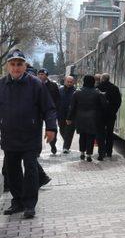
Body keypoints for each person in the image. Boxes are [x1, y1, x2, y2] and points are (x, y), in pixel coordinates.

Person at [1, 49, 57, 219]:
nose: (16, 68)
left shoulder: (35, 84)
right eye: (13, 64)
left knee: (31, 169)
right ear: (7, 66)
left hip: (30, 136)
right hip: (9, 136)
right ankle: (17, 201)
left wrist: (51, 128)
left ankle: (30, 204)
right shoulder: (1, 85)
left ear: (25, 66)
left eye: (19, 64)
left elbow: (49, 108)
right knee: (12, 171)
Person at [67, 75, 108, 162]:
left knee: (82, 135)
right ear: (93, 82)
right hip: (93, 118)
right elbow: (104, 105)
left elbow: (72, 107)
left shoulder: (77, 92)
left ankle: (82, 152)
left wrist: (69, 118)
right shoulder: (98, 93)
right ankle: (89, 154)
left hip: (80, 118)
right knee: (91, 136)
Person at [97, 73, 122, 159]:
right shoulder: (115, 88)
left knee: (100, 133)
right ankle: (109, 152)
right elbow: (118, 101)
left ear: (101, 79)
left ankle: (101, 152)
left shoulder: (97, 88)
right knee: (109, 133)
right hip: (111, 115)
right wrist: (113, 111)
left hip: (100, 115)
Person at [38, 69, 61, 154]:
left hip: (50, 111)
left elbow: (58, 98)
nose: (40, 76)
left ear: (46, 75)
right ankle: (37, 150)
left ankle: (53, 144)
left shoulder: (53, 85)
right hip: (39, 112)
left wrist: (56, 108)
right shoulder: (35, 84)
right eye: (39, 74)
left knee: (52, 129)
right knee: (37, 132)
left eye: (42, 74)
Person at [58, 76, 77, 154]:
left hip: (72, 115)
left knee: (69, 131)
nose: (69, 83)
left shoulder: (76, 92)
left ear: (73, 82)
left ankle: (66, 147)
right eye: (68, 82)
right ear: (65, 81)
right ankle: (66, 142)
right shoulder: (60, 90)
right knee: (62, 130)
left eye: (71, 82)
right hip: (61, 114)